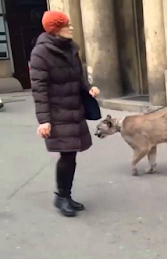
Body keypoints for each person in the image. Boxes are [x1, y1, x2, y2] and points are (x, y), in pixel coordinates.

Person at [30, 11, 100, 217]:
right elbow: (39, 90)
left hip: (74, 108)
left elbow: (78, 74)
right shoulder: (41, 53)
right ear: (56, 29)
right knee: (68, 154)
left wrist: (88, 88)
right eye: (67, 25)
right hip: (57, 112)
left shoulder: (70, 47)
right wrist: (44, 121)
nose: (71, 28)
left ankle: (65, 196)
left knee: (71, 154)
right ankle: (61, 197)